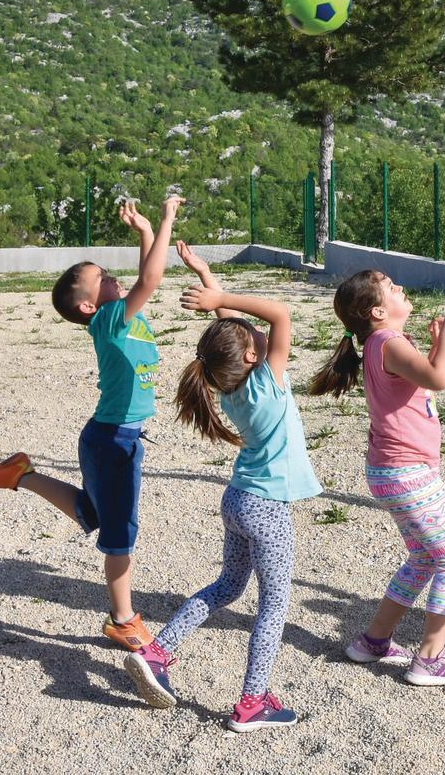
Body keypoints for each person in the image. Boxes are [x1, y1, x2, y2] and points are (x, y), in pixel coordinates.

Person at [0, 193, 181, 651]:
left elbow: (143, 279)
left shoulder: (123, 316)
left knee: (96, 513)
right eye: (100, 278)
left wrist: (145, 233)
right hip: (113, 442)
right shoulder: (109, 321)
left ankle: (21, 475)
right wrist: (163, 221)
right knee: (119, 534)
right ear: (88, 306)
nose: (111, 277)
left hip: (112, 439)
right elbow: (152, 278)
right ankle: (123, 619)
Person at [122, 242, 320, 732]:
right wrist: (221, 297)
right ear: (252, 354)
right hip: (266, 509)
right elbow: (279, 313)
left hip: (237, 501)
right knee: (272, 606)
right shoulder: (267, 382)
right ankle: (253, 702)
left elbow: (234, 329)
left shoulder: (229, 385)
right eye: (251, 337)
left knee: (228, 586)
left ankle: (158, 652)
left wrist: (208, 278)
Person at [309, 269, 445, 686]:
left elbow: (424, 379)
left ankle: (373, 641)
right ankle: (429, 659)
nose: (400, 286)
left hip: (392, 471)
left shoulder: (382, 343)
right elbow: (441, 378)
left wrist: (436, 344)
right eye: (390, 286)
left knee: (424, 558)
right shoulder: (389, 342)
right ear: (378, 311)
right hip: (407, 472)